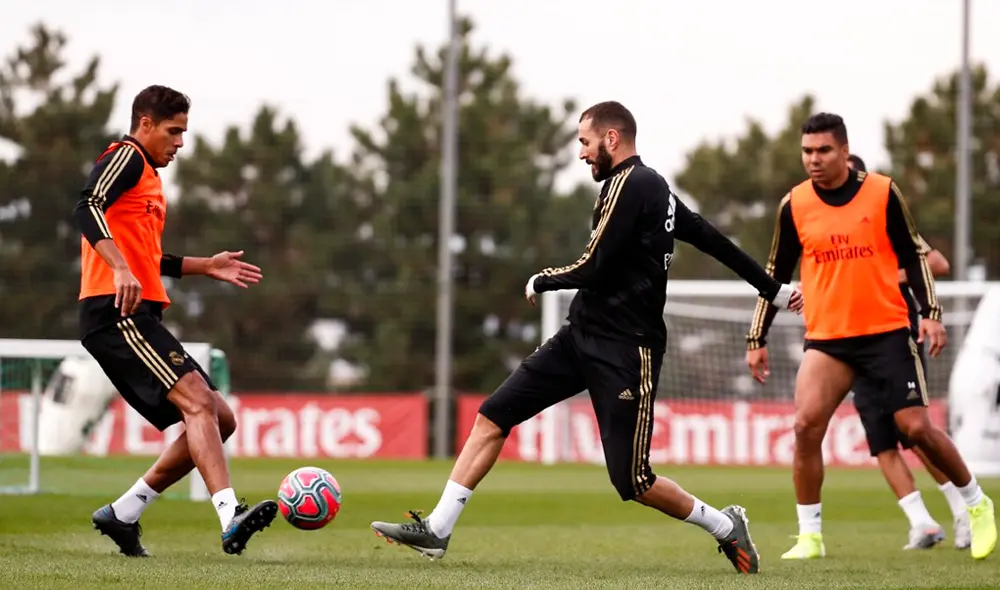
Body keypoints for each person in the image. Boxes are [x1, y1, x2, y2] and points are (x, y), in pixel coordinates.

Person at [371, 101, 803, 574]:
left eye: (584, 141)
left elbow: (596, 263)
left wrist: (543, 278)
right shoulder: (644, 188)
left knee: (632, 481)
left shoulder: (634, 183)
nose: (581, 153)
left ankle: (725, 525)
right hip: (580, 337)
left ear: (611, 139)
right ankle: (438, 528)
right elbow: (708, 236)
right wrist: (775, 289)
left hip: (626, 351)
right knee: (493, 416)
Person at [744, 112, 996, 561]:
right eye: (807, 152)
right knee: (804, 427)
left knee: (915, 428)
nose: (814, 160)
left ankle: (977, 505)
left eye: (823, 150)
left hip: (885, 333)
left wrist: (931, 314)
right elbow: (774, 275)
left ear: (844, 150)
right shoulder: (795, 204)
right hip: (828, 339)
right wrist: (756, 337)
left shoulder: (882, 192)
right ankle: (810, 536)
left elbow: (917, 256)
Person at [74, 85, 277, 557]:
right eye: (174, 131)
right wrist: (119, 268)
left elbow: (146, 254)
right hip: (115, 311)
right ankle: (230, 516)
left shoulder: (147, 176)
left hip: (135, 310)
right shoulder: (125, 157)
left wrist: (203, 265)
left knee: (218, 417)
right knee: (200, 404)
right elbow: (87, 205)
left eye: (184, 132)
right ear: (145, 124)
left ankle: (123, 512)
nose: (180, 143)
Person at [846, 154, 970, 551]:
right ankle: (922, 523)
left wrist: (880, 272)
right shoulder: (830, 230)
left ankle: (963, 509)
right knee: (880, 441)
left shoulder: (884, 218)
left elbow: (937, 261)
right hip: (850, 340)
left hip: (896, 335)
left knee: (916, 432)